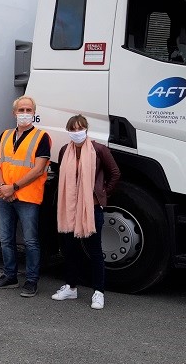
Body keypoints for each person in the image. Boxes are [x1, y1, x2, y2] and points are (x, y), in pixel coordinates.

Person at [51, 115, 120, 310]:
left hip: (91, 208)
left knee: (95, 250)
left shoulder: (99, 150)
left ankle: (98, 292)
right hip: (69, 208)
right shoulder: (65, 150)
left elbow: (115, 173)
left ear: (86, 129)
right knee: (69, 249)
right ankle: (71, 287)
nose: (76, 132)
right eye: (72, 129)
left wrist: (102, 193)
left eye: (80, 128)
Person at [0, 96, 50, 297]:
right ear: (14, 112)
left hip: (27, 198)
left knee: (30, 241)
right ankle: (10, 276)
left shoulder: (41, 137)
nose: (25, 113)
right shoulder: (5, 135)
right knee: (6, 239)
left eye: (28, 110)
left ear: (34, 112)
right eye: (21, 110)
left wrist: (12, 187)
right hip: (5, 195)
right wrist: (3, 187)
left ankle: (31, 280)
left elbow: (39, 169)